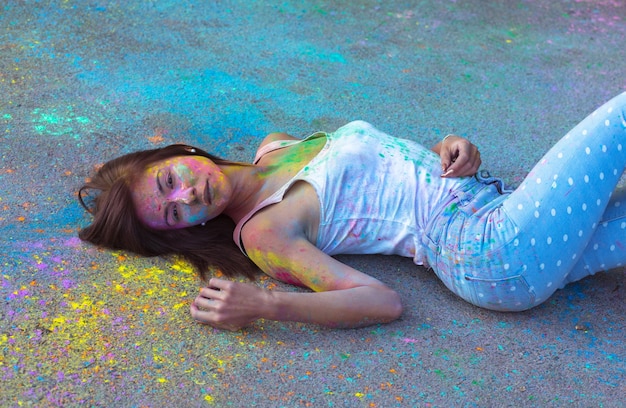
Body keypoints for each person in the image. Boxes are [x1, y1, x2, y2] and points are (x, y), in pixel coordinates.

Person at [78, 92, 626, 331]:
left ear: (177, 153)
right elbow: (382, 302)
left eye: (170, 182)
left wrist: (448, 146)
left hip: (499, 208)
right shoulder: (263, 231)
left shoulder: (275, 146)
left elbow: (383, 169)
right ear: (188, 232)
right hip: (488, 250)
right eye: (173, 216)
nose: (187, 199)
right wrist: (268, 306)